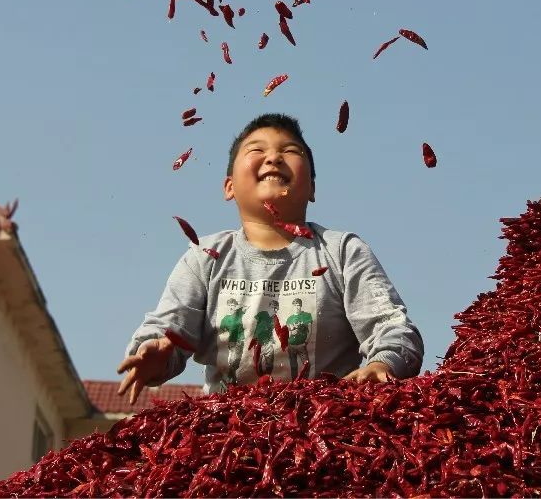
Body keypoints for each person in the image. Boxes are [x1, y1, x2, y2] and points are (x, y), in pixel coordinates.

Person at [117, 113, 424, 403]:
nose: (274, 157)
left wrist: (384, 363)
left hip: (324, 431)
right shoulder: (206, 258)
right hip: (227, 434)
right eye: (256, 149)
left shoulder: (341, 252)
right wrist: (153, 353)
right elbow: (169, 328)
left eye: (290, 151)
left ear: (313, 188)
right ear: (229, 187)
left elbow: (392, 327)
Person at [286, 297, 312, 379]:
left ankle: (305, 381)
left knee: (306, 364)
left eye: (299, 305)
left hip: (301, 345)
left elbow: (310, 331)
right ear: (293, 306)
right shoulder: (289, 319)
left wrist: (306, 342)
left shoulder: (307, 316)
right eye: (295, 305)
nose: (297, 307)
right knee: (293, 366)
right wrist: (291, 333)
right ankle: (294, 383)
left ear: (301, 306)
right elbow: (288, 333)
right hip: (291, 345)